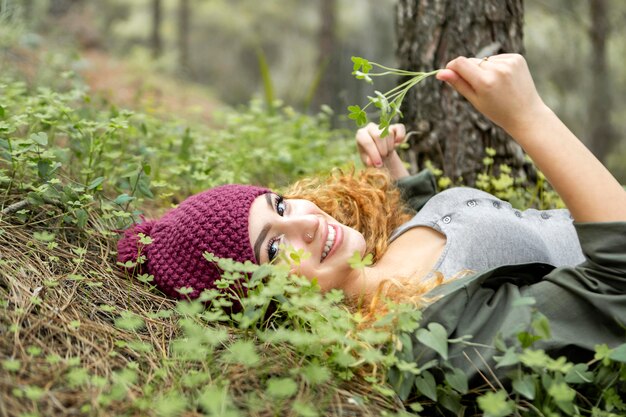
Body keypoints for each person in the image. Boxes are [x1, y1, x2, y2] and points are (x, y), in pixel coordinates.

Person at [118, 54, 626, 384]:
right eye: (273, 249)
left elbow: (463, 245)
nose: (305, 221)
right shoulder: (435, 339)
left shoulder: (372, 264)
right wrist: (528, 116)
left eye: (278, 204)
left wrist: (397, 181)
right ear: (265, 306)